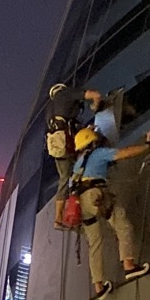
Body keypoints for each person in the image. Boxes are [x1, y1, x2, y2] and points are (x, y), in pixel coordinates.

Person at [70, 125, 150, 299]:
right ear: (92, 142)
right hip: (96, 195)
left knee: (95, 243)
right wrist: (147, 146)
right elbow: (124, 153)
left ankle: (99, 286)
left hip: (80, 204)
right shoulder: (98, 153)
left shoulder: (77, 165)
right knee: (122, 225)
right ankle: (129, 266)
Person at [46, 83, 102, 229]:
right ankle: (81, 207)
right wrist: (95, 106)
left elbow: (68, 124)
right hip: (67, 143)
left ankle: (59, 218)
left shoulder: (50, 110)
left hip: (55, 146)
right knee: (82, 166)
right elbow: (94, 95)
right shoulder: (66, 94)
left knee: (64, 179)